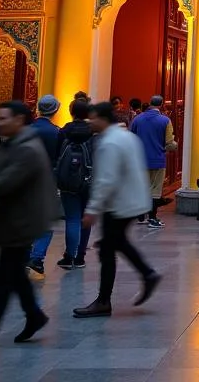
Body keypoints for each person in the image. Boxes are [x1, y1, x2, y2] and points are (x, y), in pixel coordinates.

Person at [0, 101, 54, 348]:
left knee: (3, 277)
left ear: (19, 119)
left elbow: (6, 183)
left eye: (2, 119)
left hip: (21, 222)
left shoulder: (26, 148)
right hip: (12, 220)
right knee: (14, 275)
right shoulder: (13, 144)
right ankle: (34, 315)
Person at [74, 102, 161, 318]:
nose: (89, 122)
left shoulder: (109, 143)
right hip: (131, 201)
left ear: (103, 119)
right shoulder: (127, 137)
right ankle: (145, 275)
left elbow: (106, 180)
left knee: (111, 246)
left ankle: (106, 299)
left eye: (93, 118)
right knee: (113, 244)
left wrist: (93, 208)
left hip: (118, 204)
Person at [55, 99, 95, 269]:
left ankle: (69, 256)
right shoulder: (93, 132)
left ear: (72, 112)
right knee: (85, 219)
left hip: (69, 181)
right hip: (89, 180)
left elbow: (57, 154)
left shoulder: (64, 131)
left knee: (72, 219)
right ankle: (80, 256)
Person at [26, 94, 61, 277]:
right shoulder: (56, 132)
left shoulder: (28, 130)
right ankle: (37, 257)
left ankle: (25, 255)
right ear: (55, 110)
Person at [129, 95, 175, 228]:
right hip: (157, 159)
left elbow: (131, 138)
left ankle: (140, 215)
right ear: (161, 105)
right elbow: (169, 143)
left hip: (139, 160)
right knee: (155, 189)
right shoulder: (165, 120)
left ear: (150, 103)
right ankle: (153, 217)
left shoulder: (137, 119)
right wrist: (175, 145)